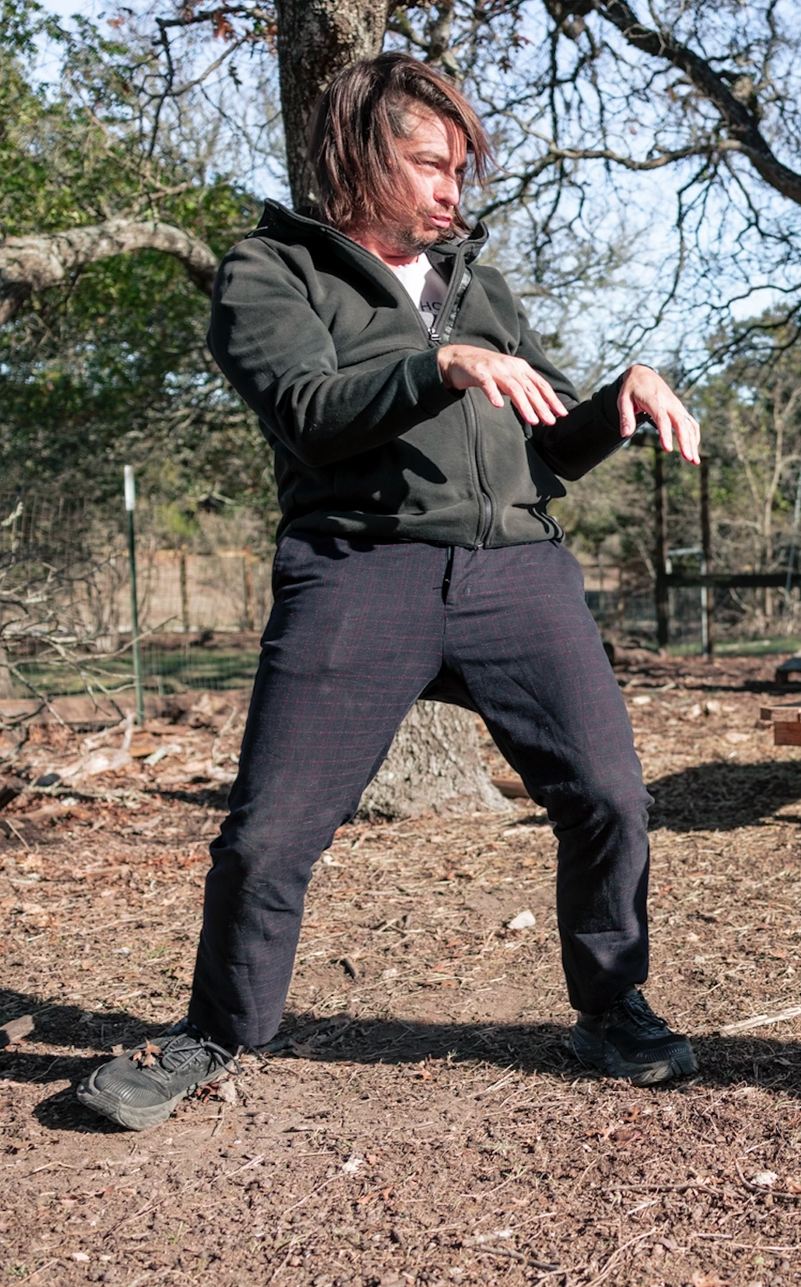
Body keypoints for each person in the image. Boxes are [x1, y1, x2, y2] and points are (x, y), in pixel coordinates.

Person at [77, 53, 703, 1130]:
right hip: (359, 571)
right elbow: (311, 411)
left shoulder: (478, 286)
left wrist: (621, 398)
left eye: (460, 168)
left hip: (516, 571)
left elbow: (541, 453)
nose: (453, 190)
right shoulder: (269, 271)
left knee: (608, 798)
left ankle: (611, 1009)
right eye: (430, 164)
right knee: (271, 836)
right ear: (360, 157)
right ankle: (216, 1032)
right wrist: (439, 365)